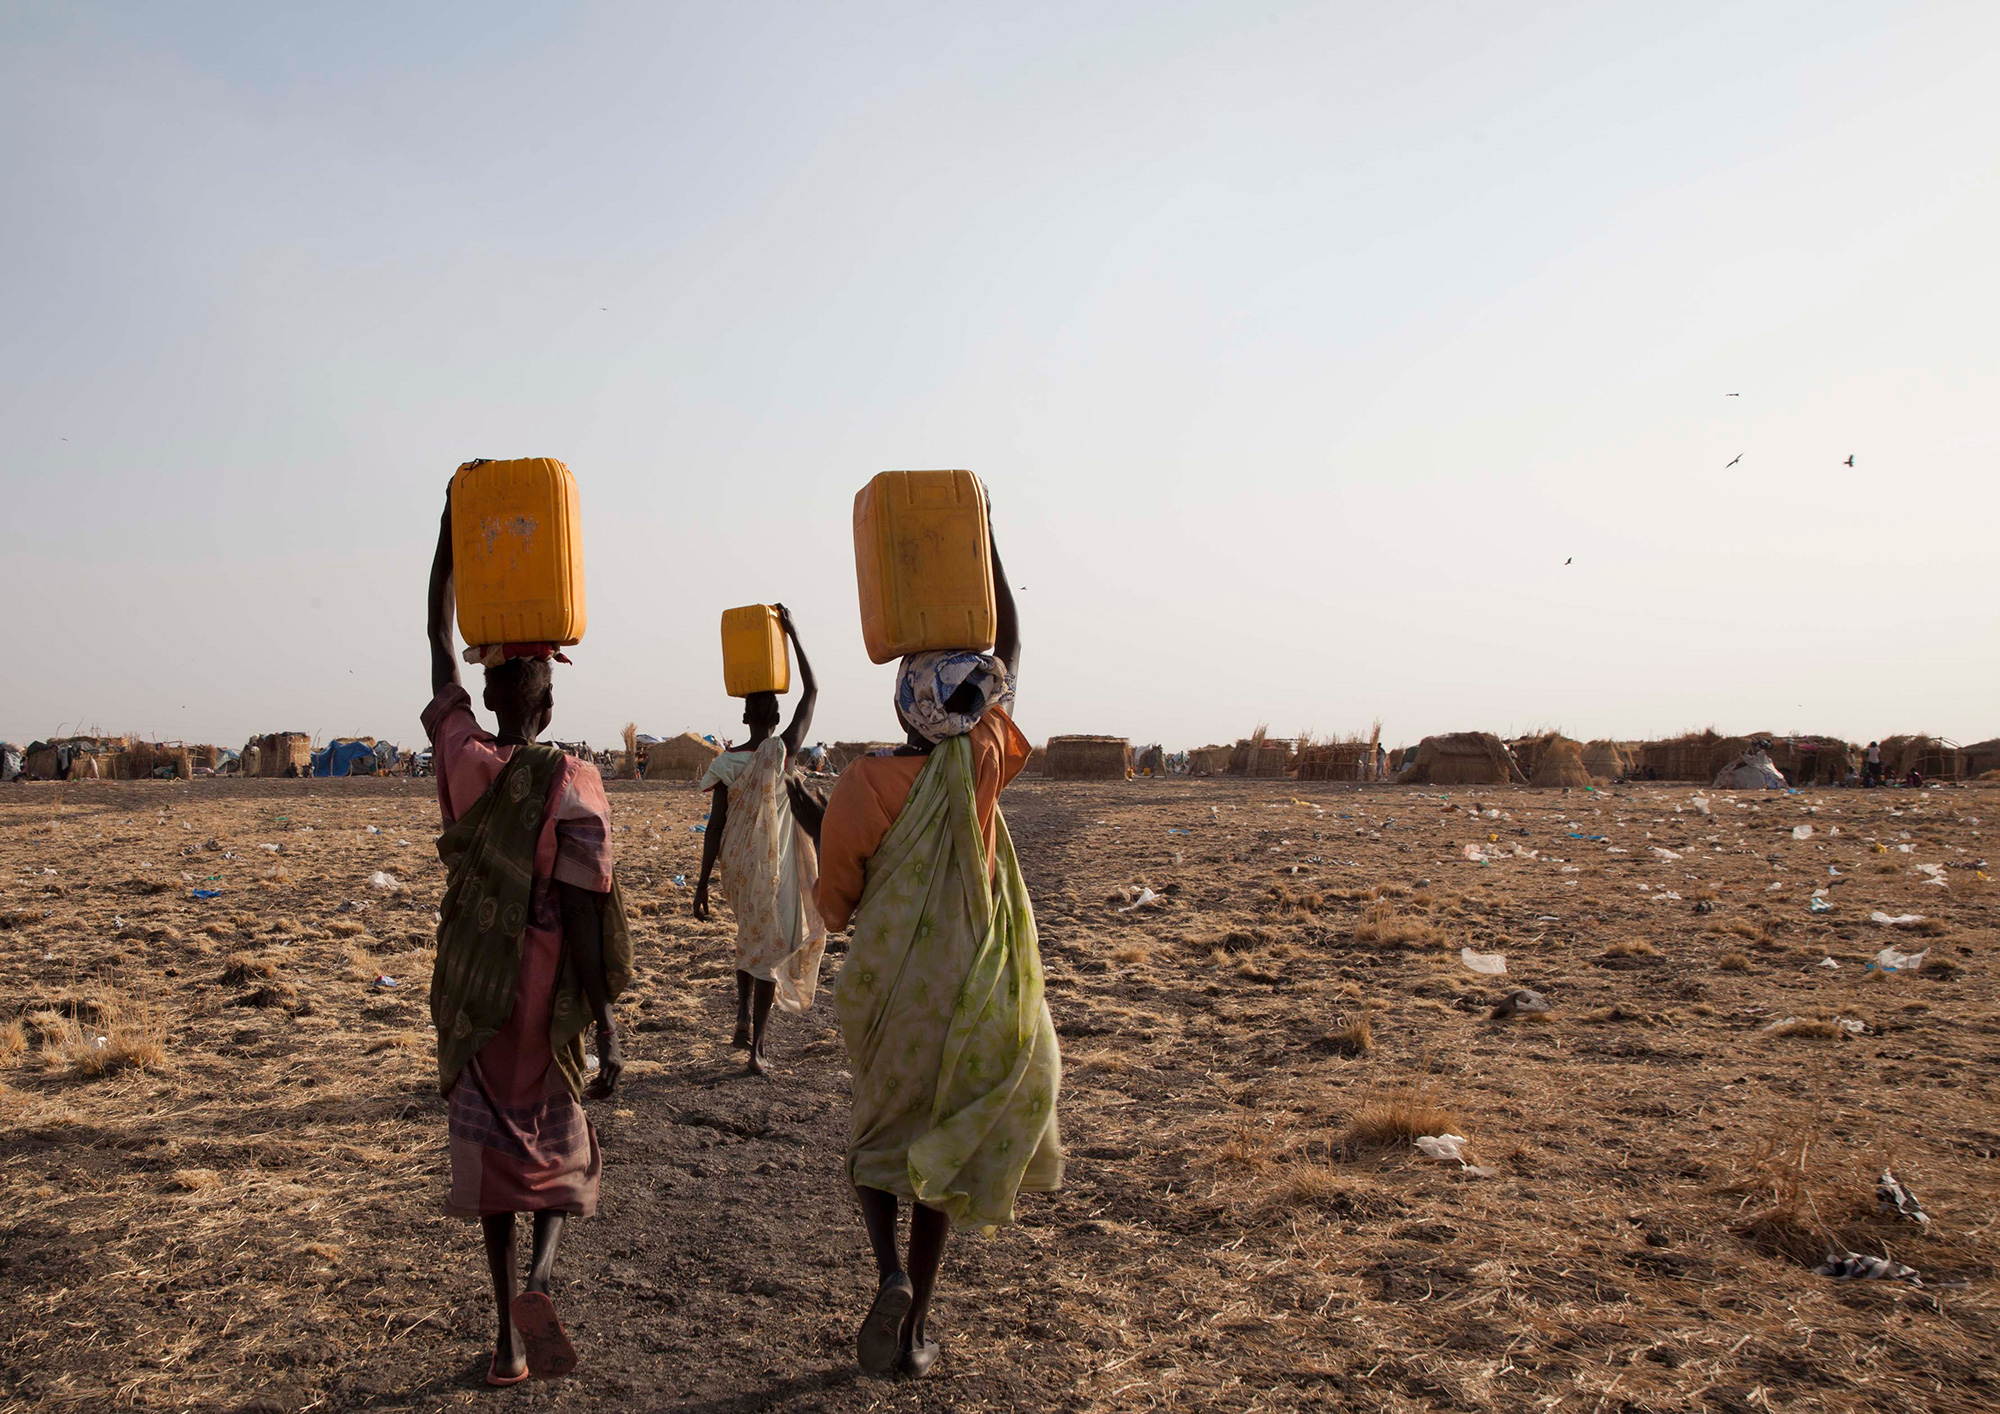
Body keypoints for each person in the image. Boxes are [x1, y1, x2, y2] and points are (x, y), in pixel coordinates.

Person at [814, 504, 1062, 1379]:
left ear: (903, 703)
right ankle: (916, 1323)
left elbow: (837, 896)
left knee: (880, 1139)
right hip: (974, 981)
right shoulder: (983, 761)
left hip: (892, 985)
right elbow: (1013, 656)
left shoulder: (865, 783)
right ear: (977, 702)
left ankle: (883, 1272)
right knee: (941, 1157)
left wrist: (842, 914)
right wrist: (982, 540)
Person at [423, 493, 630, 1387]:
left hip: (479, 988)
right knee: (558, 1130)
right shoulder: (576, 780)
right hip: (547, 989)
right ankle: (543, 1280)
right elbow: (588, 910)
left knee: (493, 1150)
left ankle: (507, 1336)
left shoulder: (466, 763)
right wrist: (607, 1025)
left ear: (495, 694)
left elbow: (438, 647)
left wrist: (451, 539)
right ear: (547, 705)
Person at [692, 605, 826, 1076]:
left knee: (751, 937)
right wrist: (793, 633)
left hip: (738, 867)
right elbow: (811, 691)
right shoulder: (782, 751)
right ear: (774, 714)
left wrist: (703, 880)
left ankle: (741, 1018)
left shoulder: (727, 763)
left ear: (746, 714)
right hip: (774, 866)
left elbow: (715, 825)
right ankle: (759, 1049)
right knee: (771, 946)